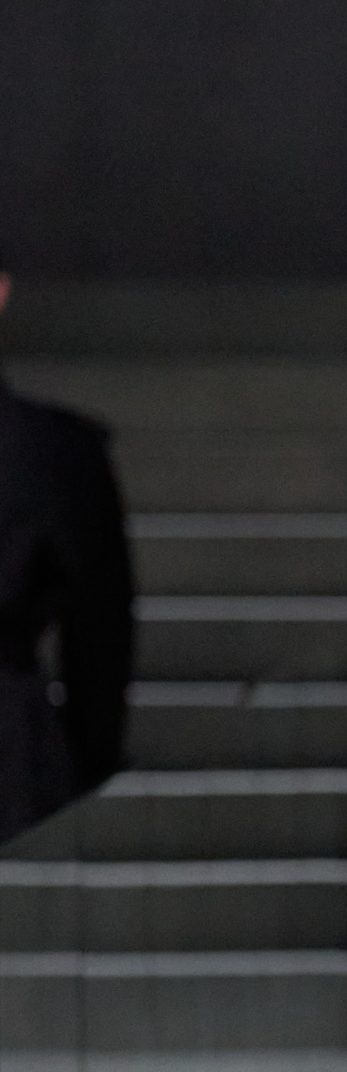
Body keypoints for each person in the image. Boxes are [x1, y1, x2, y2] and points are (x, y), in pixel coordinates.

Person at [0, 252, 134, 846]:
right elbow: (100, 639)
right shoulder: (59, 452)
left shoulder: (60, 452)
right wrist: (89, 760)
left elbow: (100, 634)